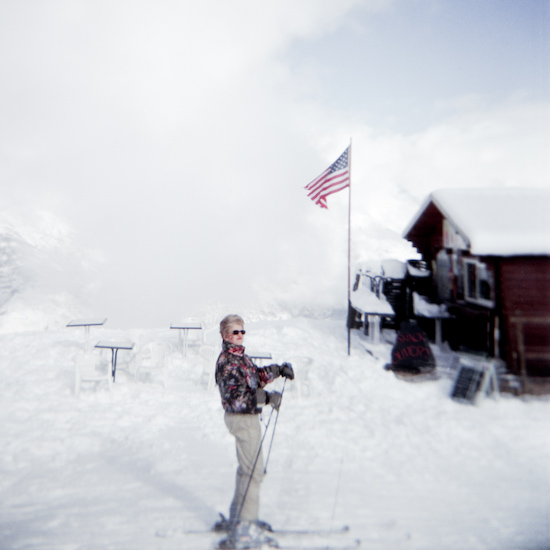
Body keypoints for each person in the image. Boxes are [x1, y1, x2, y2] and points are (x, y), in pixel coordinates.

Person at [214, 314, 294, 535]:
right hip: (241, 418)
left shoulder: (241, 358)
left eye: (242, 331)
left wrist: (278, 370)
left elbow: (255, 377)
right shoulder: (228, 362)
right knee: (254, 472)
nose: (239, 335)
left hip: (247, 418)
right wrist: (266, 399)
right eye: (234, 332)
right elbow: (234, 398)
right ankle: (246, 525)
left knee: (247, 470)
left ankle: (238, 518)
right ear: (225, 335)